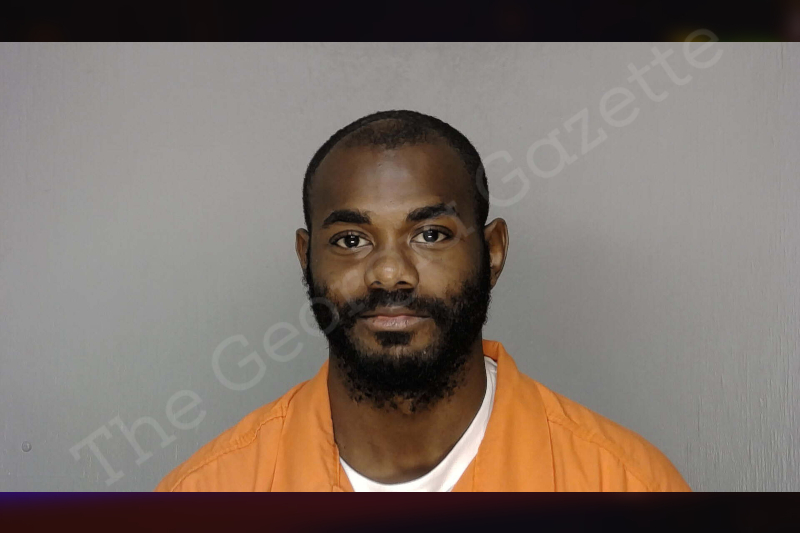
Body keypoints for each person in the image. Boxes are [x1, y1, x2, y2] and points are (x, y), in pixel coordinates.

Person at [155, 109, 690, 492]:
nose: (390, 272)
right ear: (306, 257)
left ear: (493, 251)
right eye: (351, 239)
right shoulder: (205, 493)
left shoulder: (626, 484)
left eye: (431, 235)